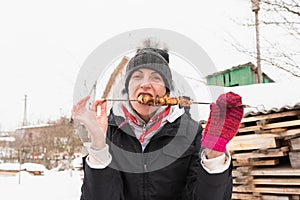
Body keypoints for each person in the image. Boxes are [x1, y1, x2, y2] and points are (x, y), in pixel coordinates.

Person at [72, 42, 244, 200]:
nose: (145, 84)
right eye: (137, 77)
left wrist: (215, 152)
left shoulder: (191, 133)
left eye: (155, 77)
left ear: (167, 92)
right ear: (127, 88)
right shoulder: (108, 132)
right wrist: (98, 143)